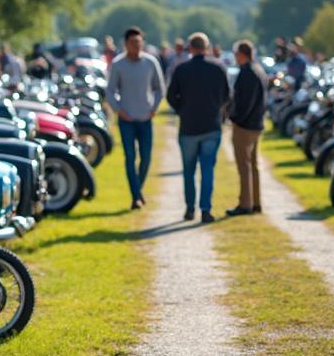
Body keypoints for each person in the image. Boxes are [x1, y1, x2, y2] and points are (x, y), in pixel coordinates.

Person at [166, 32, 230, 223]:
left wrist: (181, 110)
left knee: (189, 171)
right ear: (207, 47)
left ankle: (189, 207)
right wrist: (216, 108)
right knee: (208, 169)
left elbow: (171, 96)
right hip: (211, 124)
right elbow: (227, 95)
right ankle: (205, 208)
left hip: (188, 127)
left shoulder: (181, 69)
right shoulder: (218, 68)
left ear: (190, 48)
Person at [104, 27, 165, 210]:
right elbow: (110, 90)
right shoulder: (118, 64)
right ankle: (135, 196)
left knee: (146, 157)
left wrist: (154, 109)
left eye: (139, 42)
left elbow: (159, 88)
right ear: (126, 44)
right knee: (130, 157)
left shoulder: (150, 62)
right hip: (127, 119)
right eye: (133, 43)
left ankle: (138, 189)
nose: (136, 46)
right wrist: (118, 110)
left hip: (145, 118)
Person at [227, 40, 267, 216]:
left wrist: (235, 118)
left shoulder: (247, 72)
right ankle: (255, 201)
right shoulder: (258, 69)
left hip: (245, 126)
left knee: (244, 166)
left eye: (236, 54)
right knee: (253, 166)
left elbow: (244, 102)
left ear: (242, 54)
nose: (235, 58)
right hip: (256, 123)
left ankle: (245, 204)